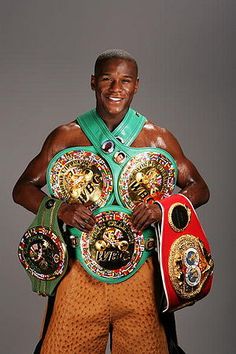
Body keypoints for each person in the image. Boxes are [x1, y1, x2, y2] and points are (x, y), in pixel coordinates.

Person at [13, 49, 209, 354]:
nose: (116, 89)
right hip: (79, 276)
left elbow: (199, 189)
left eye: (125, 81)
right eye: (107, 79)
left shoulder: (158, 138)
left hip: (141, 277)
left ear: (136, 86)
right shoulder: (65, 137)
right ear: (93, 82)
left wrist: (162, 207)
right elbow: (22, 188)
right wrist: (61, 209)